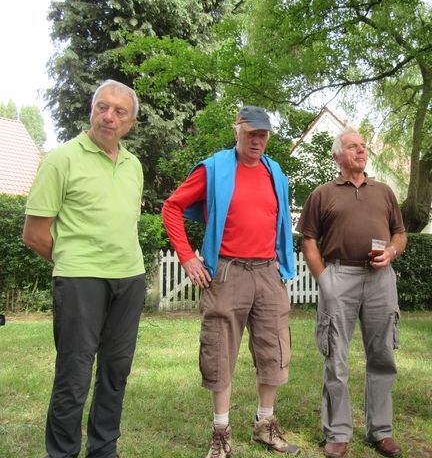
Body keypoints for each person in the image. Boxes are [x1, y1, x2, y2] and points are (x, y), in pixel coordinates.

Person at [161, 106, 298, 458]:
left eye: (263, 134)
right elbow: (172, 207)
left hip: (269, 273)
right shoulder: (214, 168)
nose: (257, 140)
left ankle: (265, 424)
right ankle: (221, 432)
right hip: (227, 272)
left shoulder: (275, 172)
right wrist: (188, 257)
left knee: (275, 350)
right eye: (251, 133)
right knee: (219, 351)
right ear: (236, 130)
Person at [23, 79, 145, 458]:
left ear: (131, 123)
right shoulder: (62, 159)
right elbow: (35, 234)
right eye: (102, 107)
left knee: (115, 373)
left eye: (119, 111)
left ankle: (103, 449)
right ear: (91, 110)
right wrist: (75, 264)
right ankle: (61, 453)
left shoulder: (133, 165)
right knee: (73, 377)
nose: (109, 117)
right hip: (80, 281)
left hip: (130, 278)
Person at [296, 128, 407, 458]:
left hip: (380, 279)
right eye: (352, 147)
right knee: (336, 357)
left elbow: (399, 234)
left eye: (363, 146)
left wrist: (391, 252)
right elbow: (309, 242)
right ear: (337, 156)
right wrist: (324, 279)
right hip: (339, 275)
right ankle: (338, 432)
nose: (361, 151)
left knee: (382, 355)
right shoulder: (322, 194)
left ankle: (381, 431)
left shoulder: (384, 192)